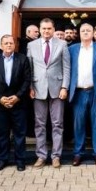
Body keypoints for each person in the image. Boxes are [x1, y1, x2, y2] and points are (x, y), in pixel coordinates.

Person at [28, 18, 71, 168]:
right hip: (38, 89)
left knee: (57, 124)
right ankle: (41, 156)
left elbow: (66, 67)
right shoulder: (31, 45)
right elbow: (29, 68)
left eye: (49, 29)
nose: (46, 31)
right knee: (39, 124)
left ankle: (56, 156)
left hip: (57, 89)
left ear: (53, 30)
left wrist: (65, 87)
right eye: (44, 29)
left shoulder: (62, 44)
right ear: (40, 29)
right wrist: (30, 87)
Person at [68, 23, 96, 167]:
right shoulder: (72, 49)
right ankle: (78, 154)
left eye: (88, 30)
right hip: (78, 92)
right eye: (83, 30)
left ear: (93, 33)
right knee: (78, 125)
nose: (86, 32)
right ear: (79, 33)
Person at [0, 35, 32, 172]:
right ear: (1, 44)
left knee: (19, 134)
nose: (8, 45)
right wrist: (0, 98)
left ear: (14, 45)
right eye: (5, 43)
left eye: (11, 43)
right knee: (1, 134)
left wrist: (17, 97)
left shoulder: (23, 59)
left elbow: (27, 80)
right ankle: (2, 160)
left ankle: (20, 160)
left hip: (19, 103)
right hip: (0, 104)